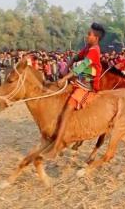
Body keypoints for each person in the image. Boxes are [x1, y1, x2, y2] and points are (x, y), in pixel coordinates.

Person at [44, 22, 105, 159]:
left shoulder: (94, 51)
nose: (87, 35)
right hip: (79, 80)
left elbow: (82, 66)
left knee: (67, 110)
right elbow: (76, 57)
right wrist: (68, 65)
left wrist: (65, 76)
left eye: (89, 34)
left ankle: (57, 146)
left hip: (87, 85)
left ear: (96, 38)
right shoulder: (88, 47)